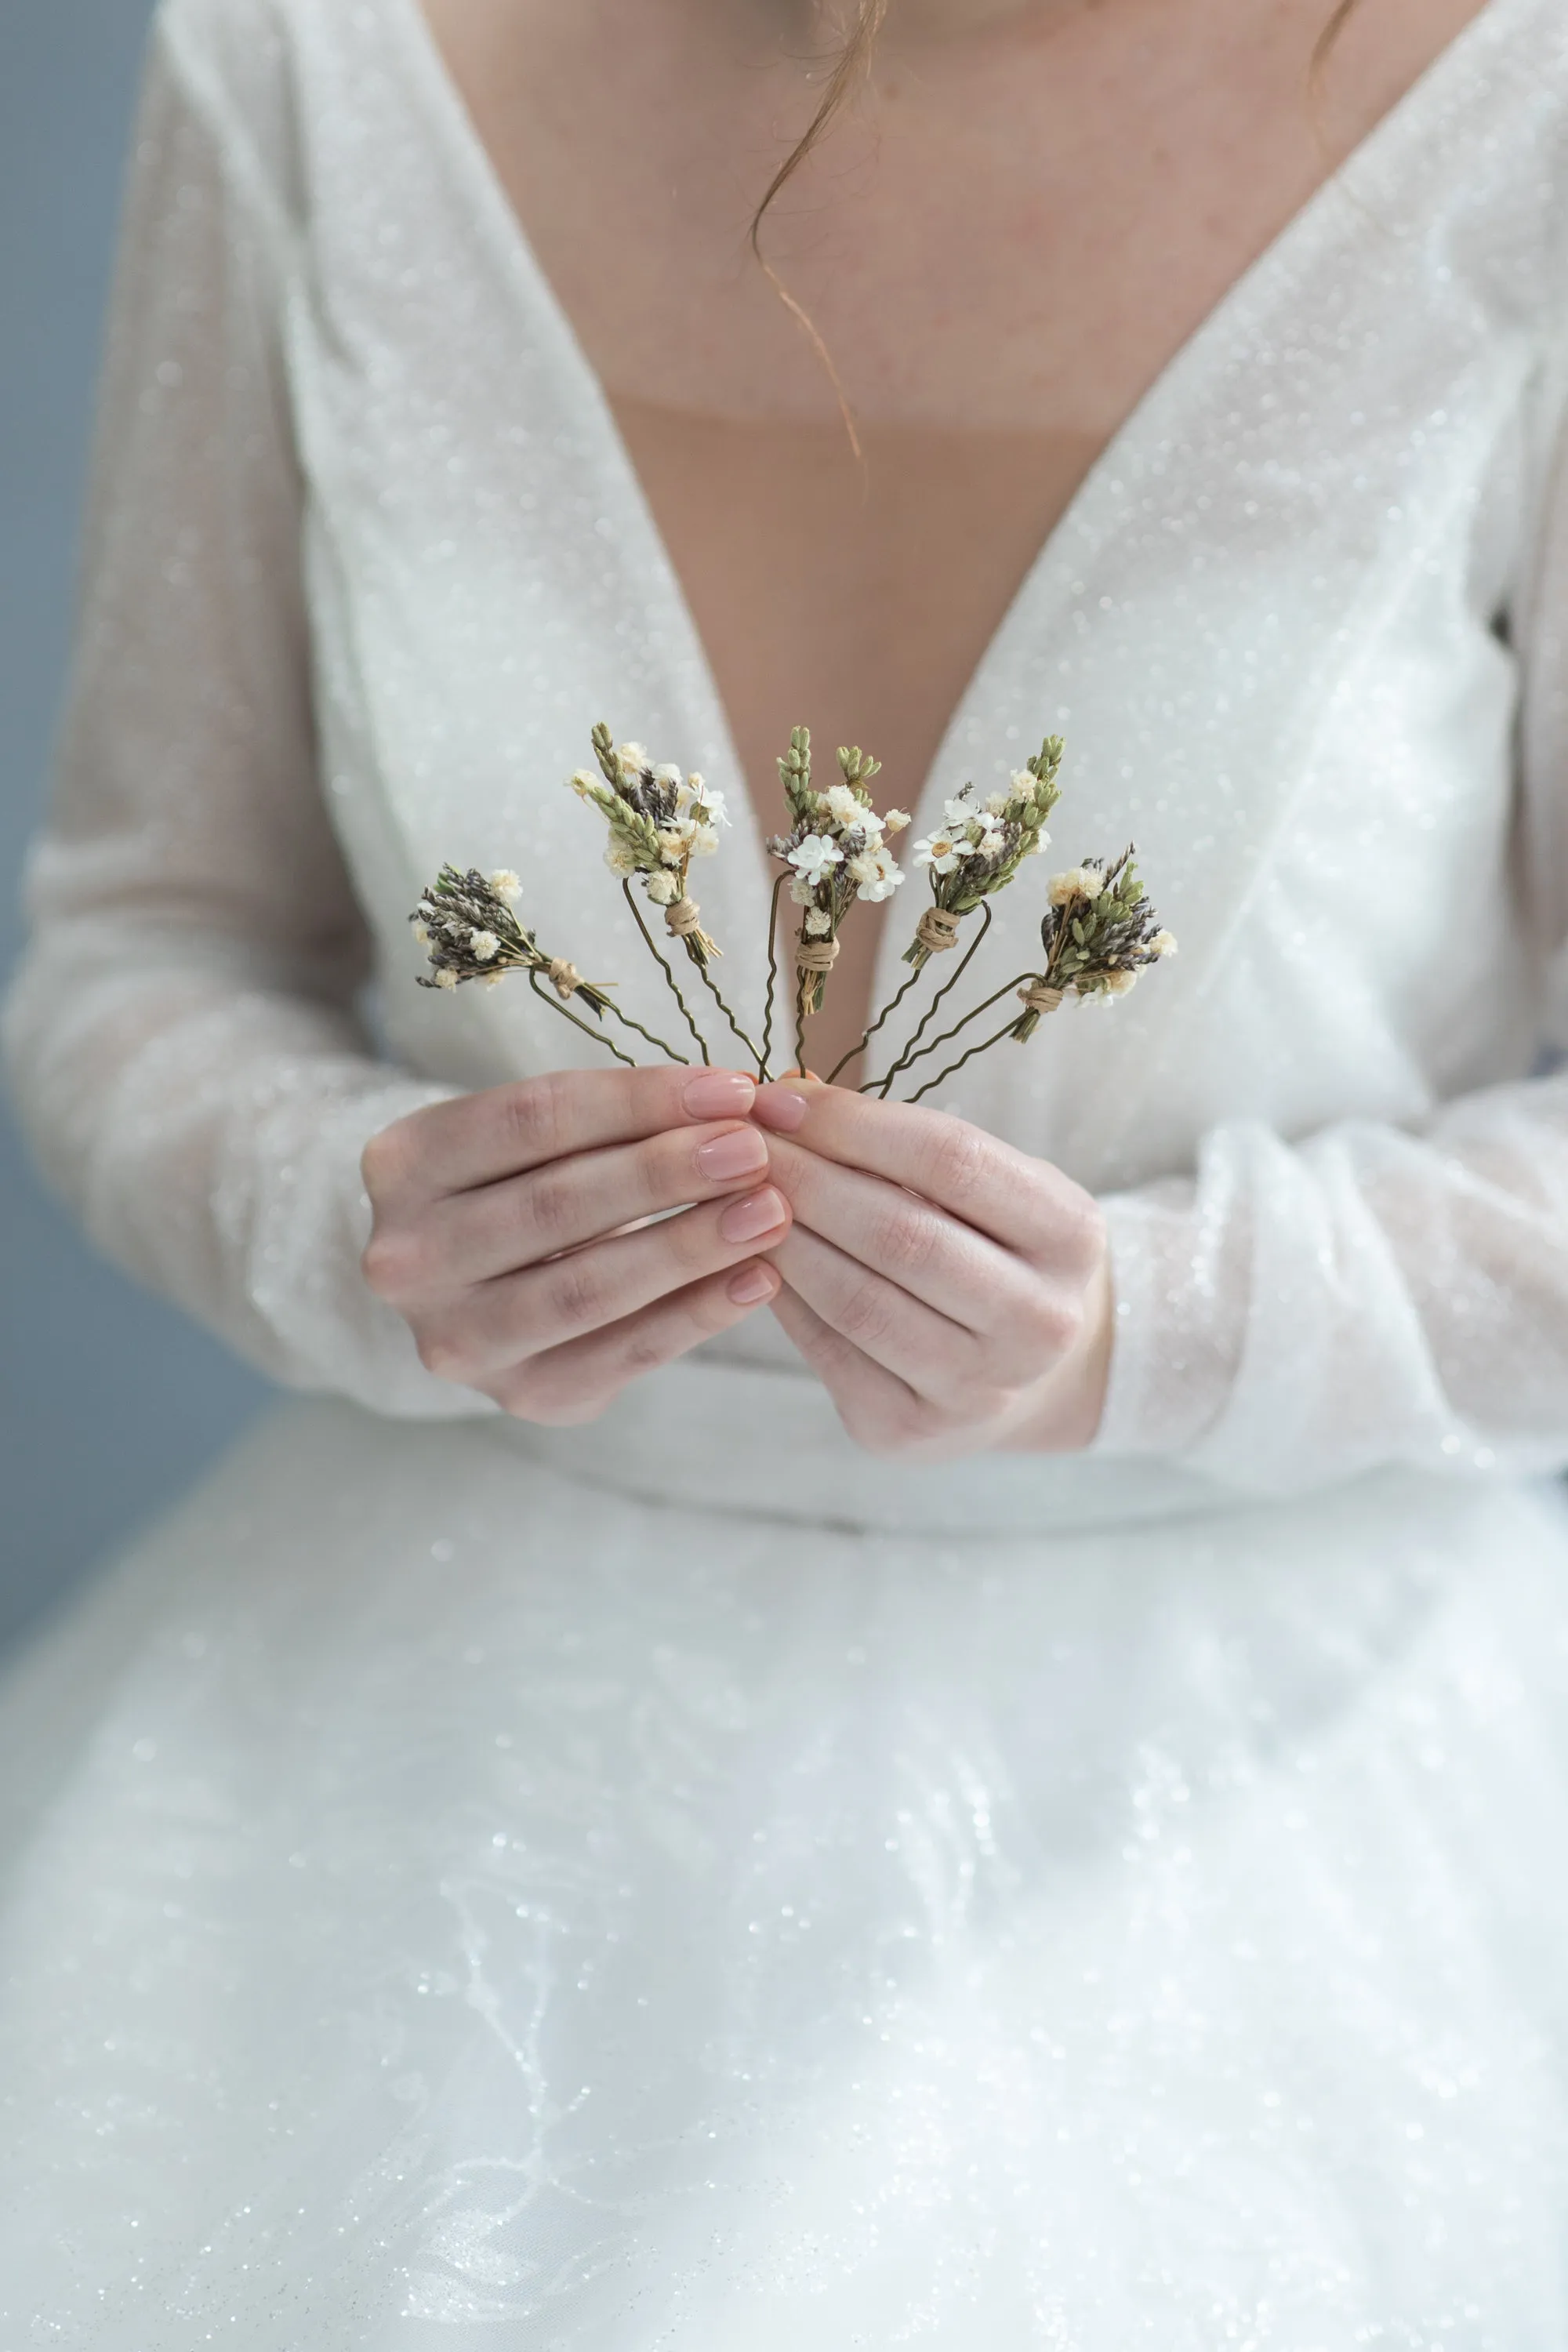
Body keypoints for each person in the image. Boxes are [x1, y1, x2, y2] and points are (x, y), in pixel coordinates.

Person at [3, 0, 1567, 2334]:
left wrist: (1170, 1327)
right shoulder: (319, 58)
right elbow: (143, 937)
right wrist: (353, 1224)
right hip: (399, 1810)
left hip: (1291, 1804)